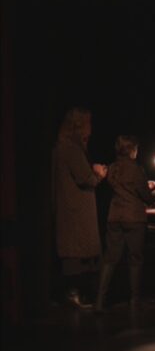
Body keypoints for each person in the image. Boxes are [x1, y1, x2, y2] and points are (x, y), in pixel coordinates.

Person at [95, 135, 155, 312]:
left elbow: (123, 187)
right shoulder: (136, 169)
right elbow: (147, 197)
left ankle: (99, 301)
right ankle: (134, 300)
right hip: (134, 218)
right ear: (132, 150)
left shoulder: (112, 168)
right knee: (135, 259)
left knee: (110, 258)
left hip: (115, 216)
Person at [52, 107, 107, 309]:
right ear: (79, 126)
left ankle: (75, 294)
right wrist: (99, 173)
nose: (90, 128)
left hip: (71, 208)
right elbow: (86, 179)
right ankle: (73, 295)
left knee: (76, 252)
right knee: (77, 254)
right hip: (76, 210)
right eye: (88, 124)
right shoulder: (71, 149)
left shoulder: (62, 147)